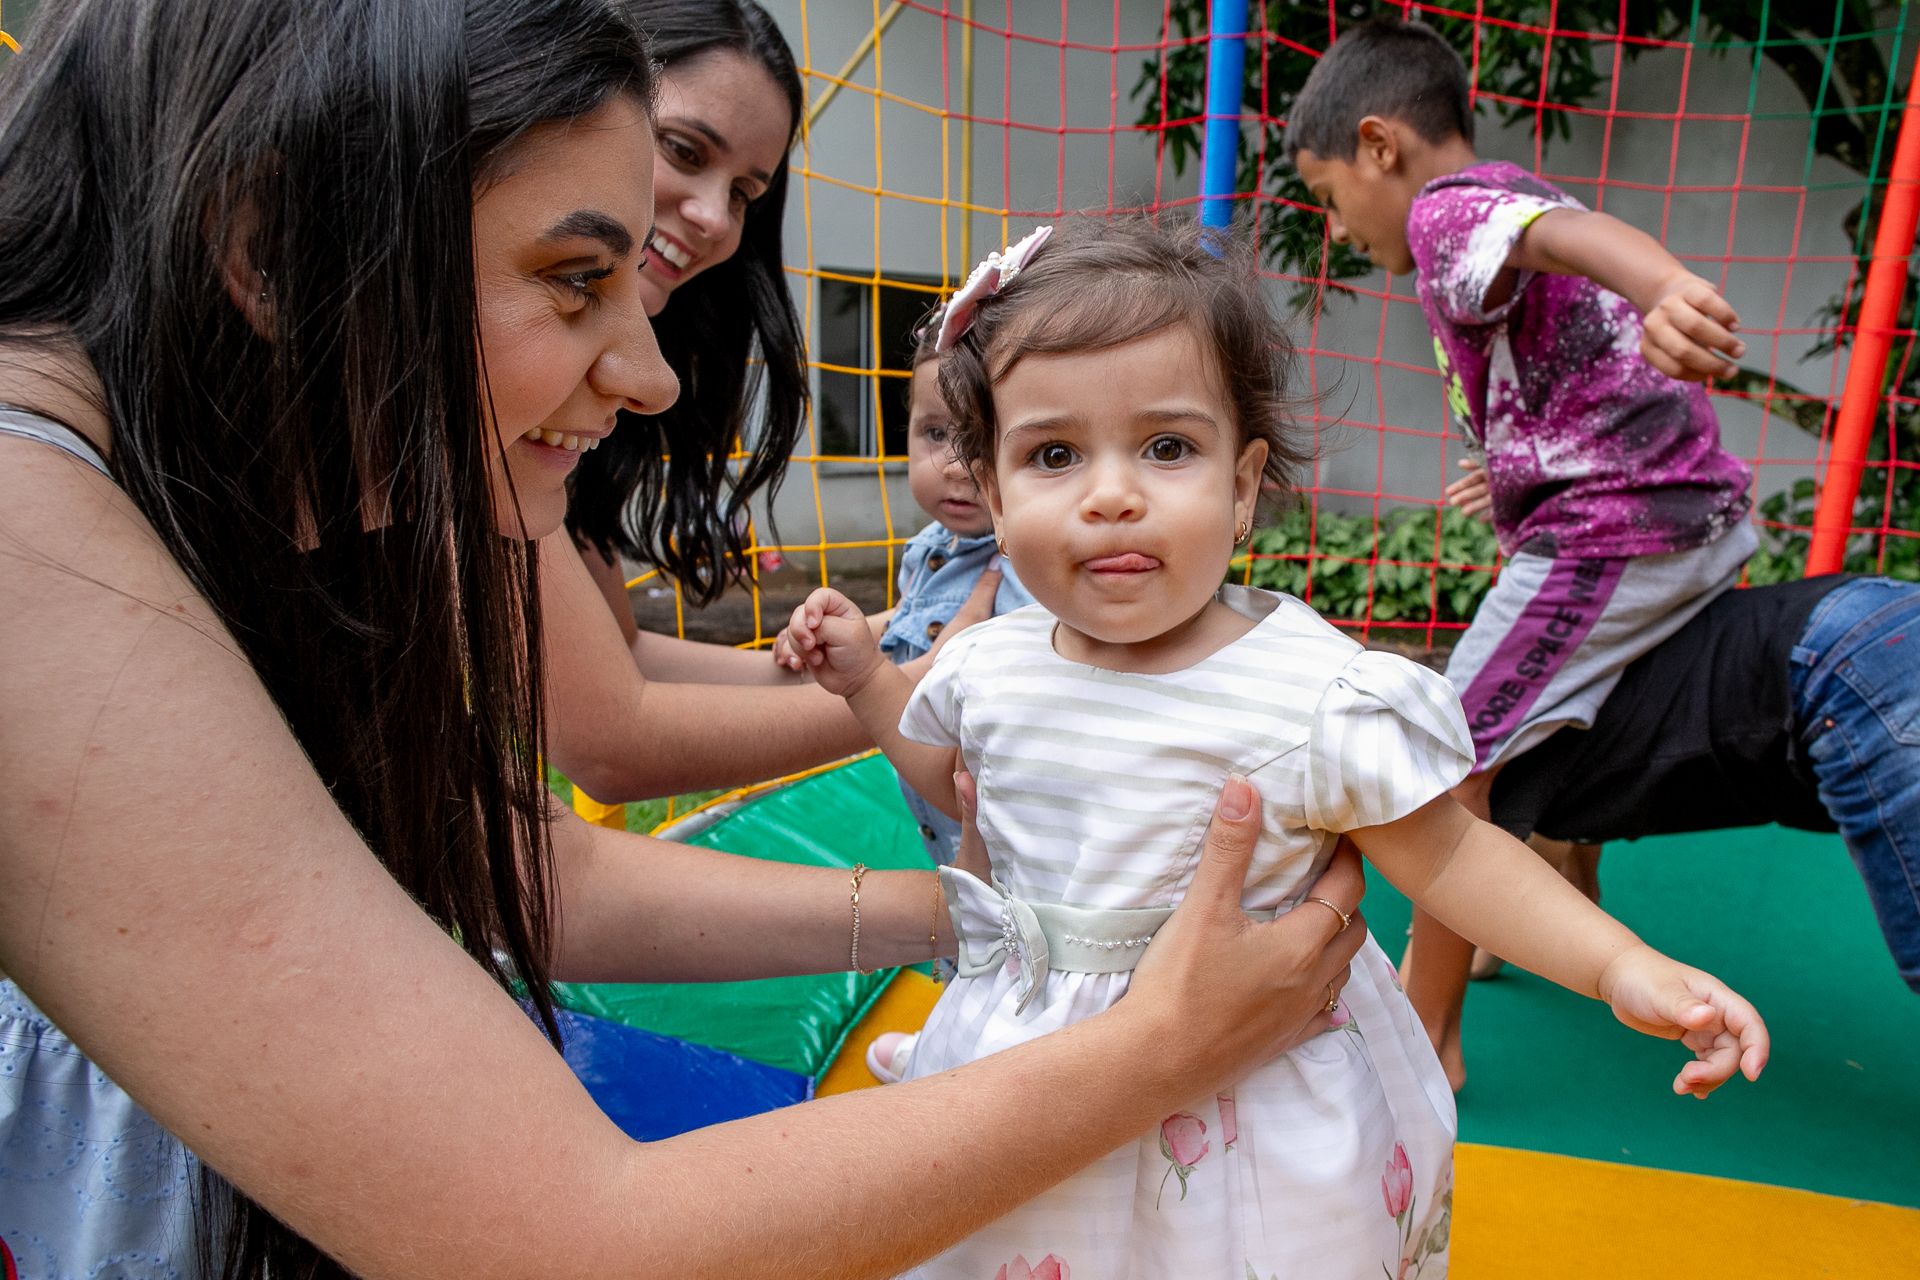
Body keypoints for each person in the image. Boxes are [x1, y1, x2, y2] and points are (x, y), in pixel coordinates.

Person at [0, 3, 1379, 1276]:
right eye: (570, 277)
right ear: (274, 251)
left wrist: (999, 922)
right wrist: (1159, 1047)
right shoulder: (37, 547)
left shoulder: (241, 502)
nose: (650, 369)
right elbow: (569, 1236)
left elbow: (500, 868)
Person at [778, 216, 1768, 1280]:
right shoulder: (989, 662)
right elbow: (947, 781)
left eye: (1167, 446)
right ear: (998, 487)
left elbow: (1449, 854)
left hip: (1251, 1078)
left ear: (1243, 484)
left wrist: (1620, 964)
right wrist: (872, 683)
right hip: (1031, 1059)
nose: (1113, 492)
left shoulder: (1310, 687)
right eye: (1055, 453)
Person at [1287, 19, 1760, 1088]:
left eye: (1328, 196)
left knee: (1449, 747)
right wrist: (1500, 462)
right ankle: (1555, 911)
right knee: (1555, 719)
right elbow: (1548, 289)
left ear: (1378, 144)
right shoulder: (1496, 187)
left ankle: (1428, 1033)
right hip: (1675, 513)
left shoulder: (1449, 210)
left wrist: (1666, 285)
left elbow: (1569, 237)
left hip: (1616, 526)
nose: (1339, 225)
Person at [1486, 571, 1920, 997]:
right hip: (1878, 608)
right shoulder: (1570, 721)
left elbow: (1488, 876)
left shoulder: (1506, 772)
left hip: (1848, 661)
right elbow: (1569, 883)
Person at [775, 323, 1036, 867]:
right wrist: (843, 633)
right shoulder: (929, 545)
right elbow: (912, 615)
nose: (957, 465)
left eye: (986, 438)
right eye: (936, 433)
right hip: (935, 815)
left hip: (1003, 831)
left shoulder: (1029, 566)